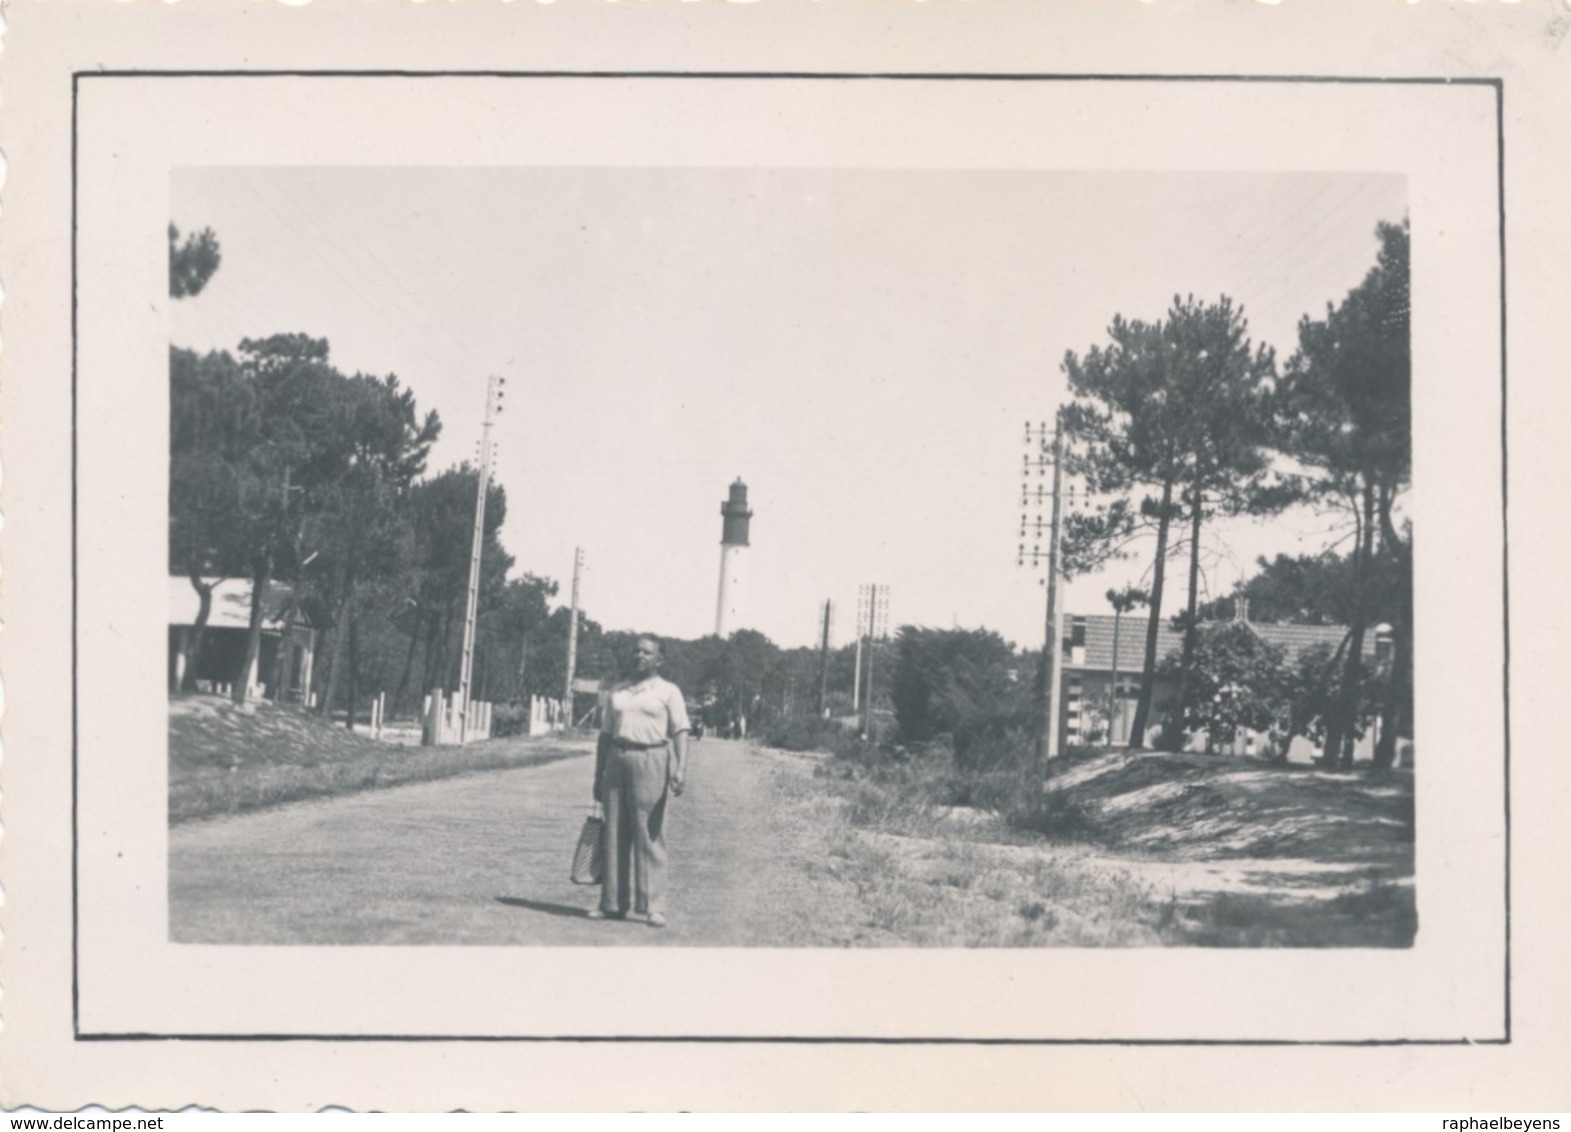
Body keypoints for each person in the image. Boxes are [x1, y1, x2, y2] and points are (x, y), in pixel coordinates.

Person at [589, 636, 690, 928]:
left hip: (652, 759)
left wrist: (680, 768)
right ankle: (612, 904)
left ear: (659, 659)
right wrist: (598, 775)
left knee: (650, 834)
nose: (639, 656)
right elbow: (605, 735)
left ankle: (653, 907)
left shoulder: (668, 691)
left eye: (647, 652)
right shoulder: (618, 691)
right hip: (617, 759)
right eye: (636, 651)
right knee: (614, 833)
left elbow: (681, 730)